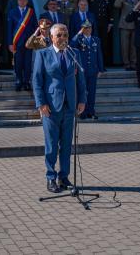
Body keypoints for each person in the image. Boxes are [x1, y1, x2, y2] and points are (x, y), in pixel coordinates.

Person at [32, 23, 86, 193]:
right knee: (51, 145)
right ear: (52, 37)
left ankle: (64, 177)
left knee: (66, 145)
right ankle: (50, 177)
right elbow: (37, 81)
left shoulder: (74, 53)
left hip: (70, 106)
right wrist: (41, 104)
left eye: (65, 35)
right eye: (59, 35)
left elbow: (81, 80)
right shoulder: (43, 54)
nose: (63, 38)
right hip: (51, 107)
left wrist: (82, 100)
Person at [70, 19, 104, 119]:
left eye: (89, 28)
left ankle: (91, 111)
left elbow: (99, 54)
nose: (88, 30)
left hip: (93, 70)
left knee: (92, 92)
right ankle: (82, 112)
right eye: (86, 28)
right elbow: (71, 45)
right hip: (82, 70)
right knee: (82, 91)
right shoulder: (79, 39)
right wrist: (78, 34)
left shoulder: (96, 40)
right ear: (82, 29)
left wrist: (101, 69)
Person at [7, 0, 38, 91]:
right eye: (20, 0)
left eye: (24, 0)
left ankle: (27, 82)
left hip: (28, 42)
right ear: (17, 1)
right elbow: (9, 29)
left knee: (28, 63)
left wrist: (34, 40)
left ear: (26, 2)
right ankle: (18, 80)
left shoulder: (31, 12)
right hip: (17, 42)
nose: (22, 2)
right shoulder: (12, 12)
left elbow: (35, 27)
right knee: (18, 63)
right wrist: (10, 43)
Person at [85, 0, 113, 68]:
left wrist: (110, 23)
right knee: (93, 42)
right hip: (94, 23)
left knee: (103, 44)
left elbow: (110, 10)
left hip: (104, 23)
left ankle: (102, 64)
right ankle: (94, 64)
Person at [114, 0, 138, 71]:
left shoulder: (136, 0)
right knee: (125, 46)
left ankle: (133, 63)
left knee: (133, 46)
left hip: (134, 26)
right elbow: (116, 5)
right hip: (124, 25)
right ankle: (126, 63)